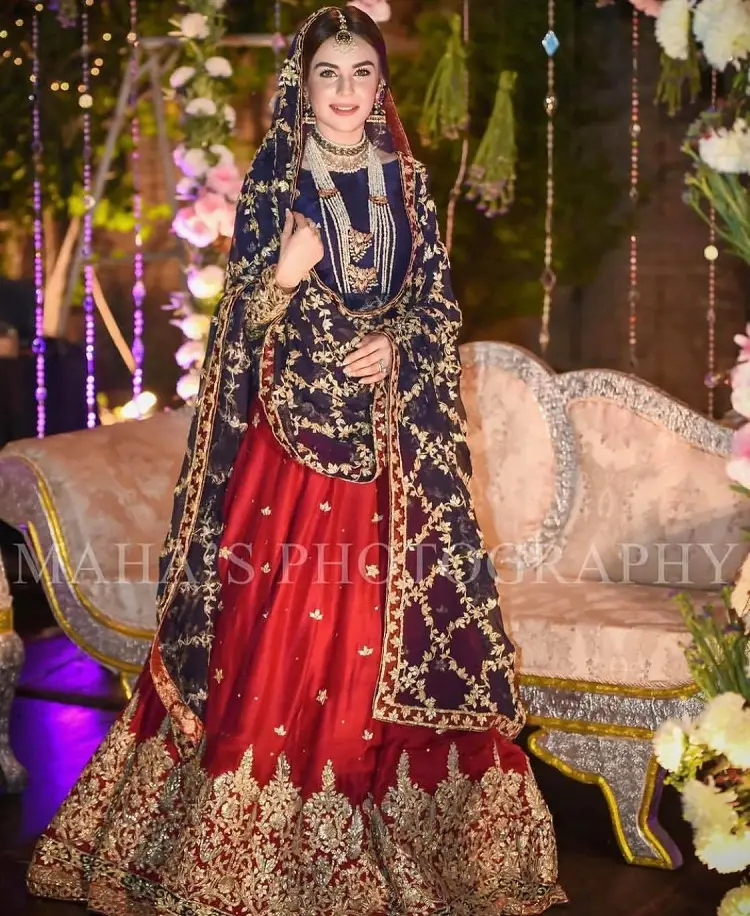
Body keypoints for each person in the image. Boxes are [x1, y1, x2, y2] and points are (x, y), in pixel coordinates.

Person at [26, 7, 567, 914]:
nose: (347, 91)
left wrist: (398, 345)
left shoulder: (408, 183)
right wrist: (277, 277)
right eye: (329, 74)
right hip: (290, 453)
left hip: (387, 450)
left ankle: (405, 841)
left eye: (361, 73)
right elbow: (236, 324)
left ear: (380, 85)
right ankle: (245, 858)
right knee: (284, 631)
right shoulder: (277, 179)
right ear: (302, 86)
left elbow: (435, 305)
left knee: (376, 638)